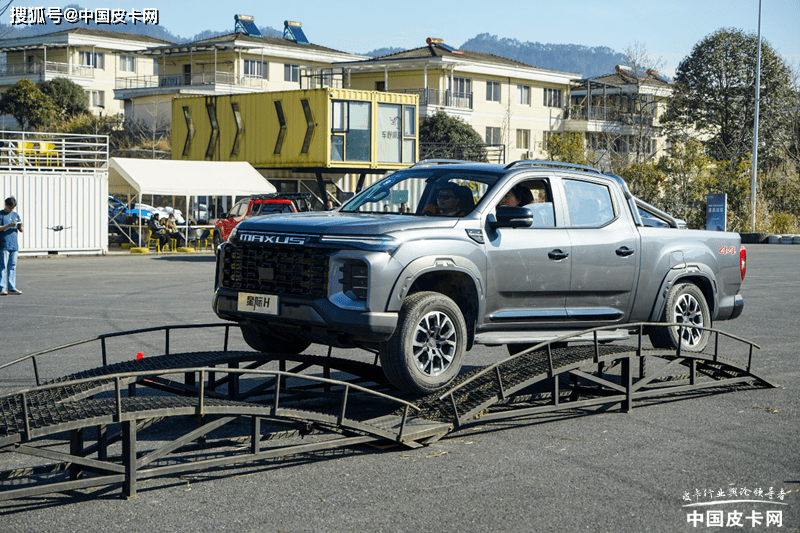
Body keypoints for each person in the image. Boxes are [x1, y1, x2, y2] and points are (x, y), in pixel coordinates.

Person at [0, 196, 24, 295]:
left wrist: (20, 226)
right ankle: (2, 288)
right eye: (9, 207)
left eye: (13, 208)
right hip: (4, 245)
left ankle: (11, 287)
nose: (11, 209)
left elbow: (21, 229)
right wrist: (8, 225)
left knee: (12, 266)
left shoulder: (16, 215)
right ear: (5, 205)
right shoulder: (1, 215)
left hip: (14, 245)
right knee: (3, 267)